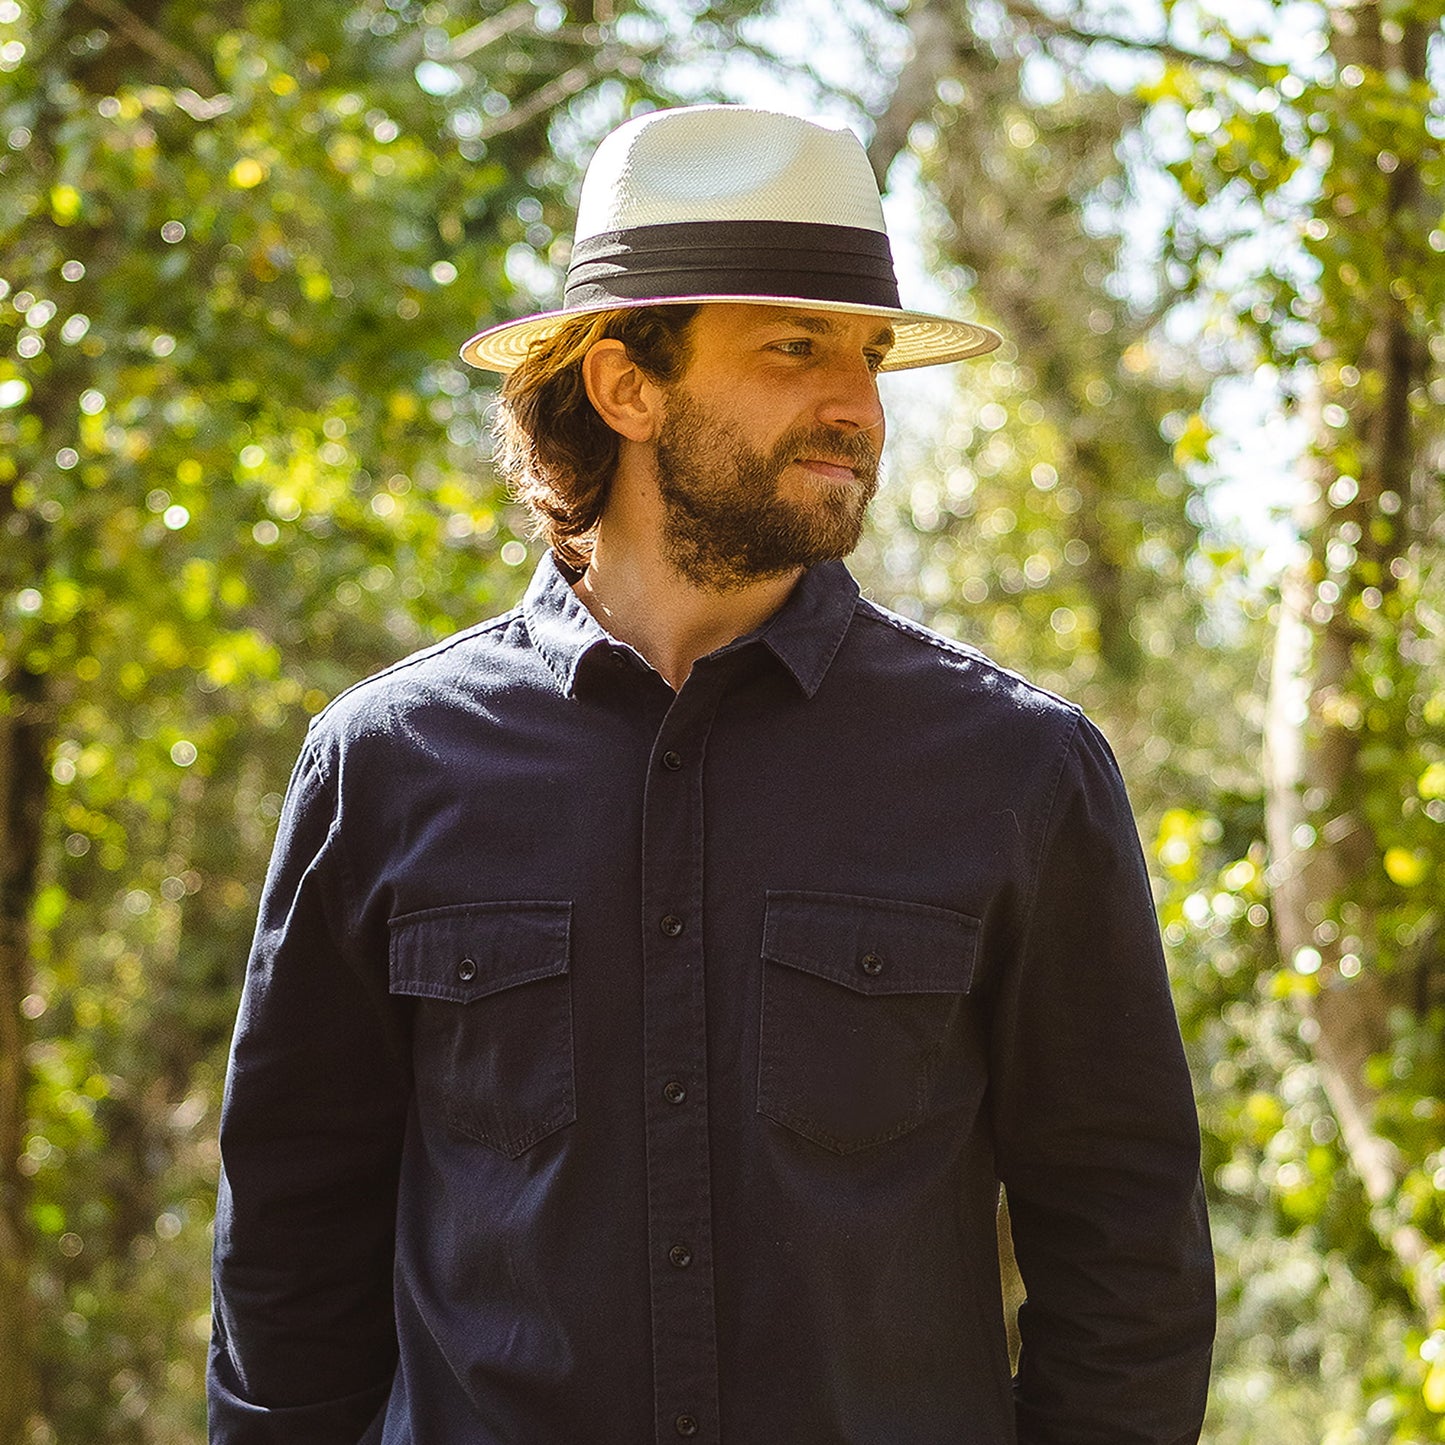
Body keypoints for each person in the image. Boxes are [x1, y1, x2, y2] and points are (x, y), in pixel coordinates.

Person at [208, 105, 1214, 1444]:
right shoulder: (386, 766)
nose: (856, 406)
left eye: (867, 357)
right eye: (795, 347)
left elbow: (1126, 1250)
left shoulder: (1018, 769)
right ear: (626, 386)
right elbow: (288, 1263)